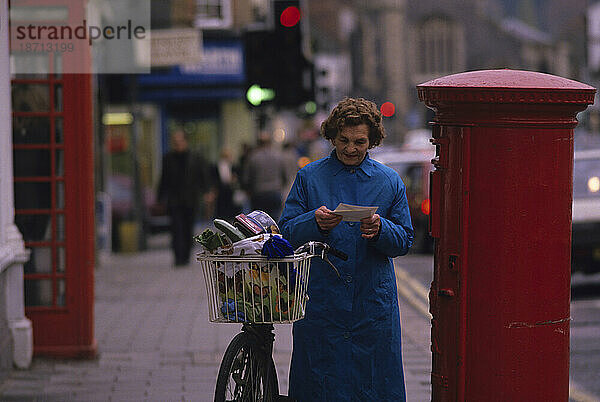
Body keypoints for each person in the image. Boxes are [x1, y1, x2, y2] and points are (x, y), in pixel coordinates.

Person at [279, 97, 414, 401]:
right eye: (343, 140)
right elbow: (285, 231)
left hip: (371, 303)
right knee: (319, 382)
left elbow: (405, 239)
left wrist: (382, 229)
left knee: (373, 383)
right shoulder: (309, 177)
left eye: (360, 142)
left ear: (373, 140)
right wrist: (313, 221)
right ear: (332, 136)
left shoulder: (389, 181)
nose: (351, 148)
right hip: (322, 300)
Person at [157, 130, 209, 266]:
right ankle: (178, 257)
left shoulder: (195, 157)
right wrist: (160, 197)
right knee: (176, 229)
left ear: (185, 141)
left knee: (187, 228)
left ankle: (185, 255)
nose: (177, 144)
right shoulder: (168, 158)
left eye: (179, 141)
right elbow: (164, 179)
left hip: (191, 199)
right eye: (175, 142)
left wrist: (206, 191)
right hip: (174, 199)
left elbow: (202, 176)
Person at [243, 132, 288, 220]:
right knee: (274, 221)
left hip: (258, 194)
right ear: (270, 142)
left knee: (258, 222)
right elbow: (285, 176)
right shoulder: (278, 156)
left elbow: (247, 178)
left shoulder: (253, 157)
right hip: (275, 192)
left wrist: (248, 190)